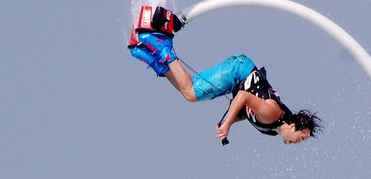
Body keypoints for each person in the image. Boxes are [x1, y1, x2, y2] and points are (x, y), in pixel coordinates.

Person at [129, 6, 321, 145]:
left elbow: (248, 110)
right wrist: (228, 123)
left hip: (239, 76)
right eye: (301, 138)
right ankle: (160, 44)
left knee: (189, 93)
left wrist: (230, 120)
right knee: (192, 91)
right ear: (295, 126)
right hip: (239, 72)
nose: (297, 143)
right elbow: (244, 97)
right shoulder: (273, 115)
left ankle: (150, 54)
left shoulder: (272, 129)